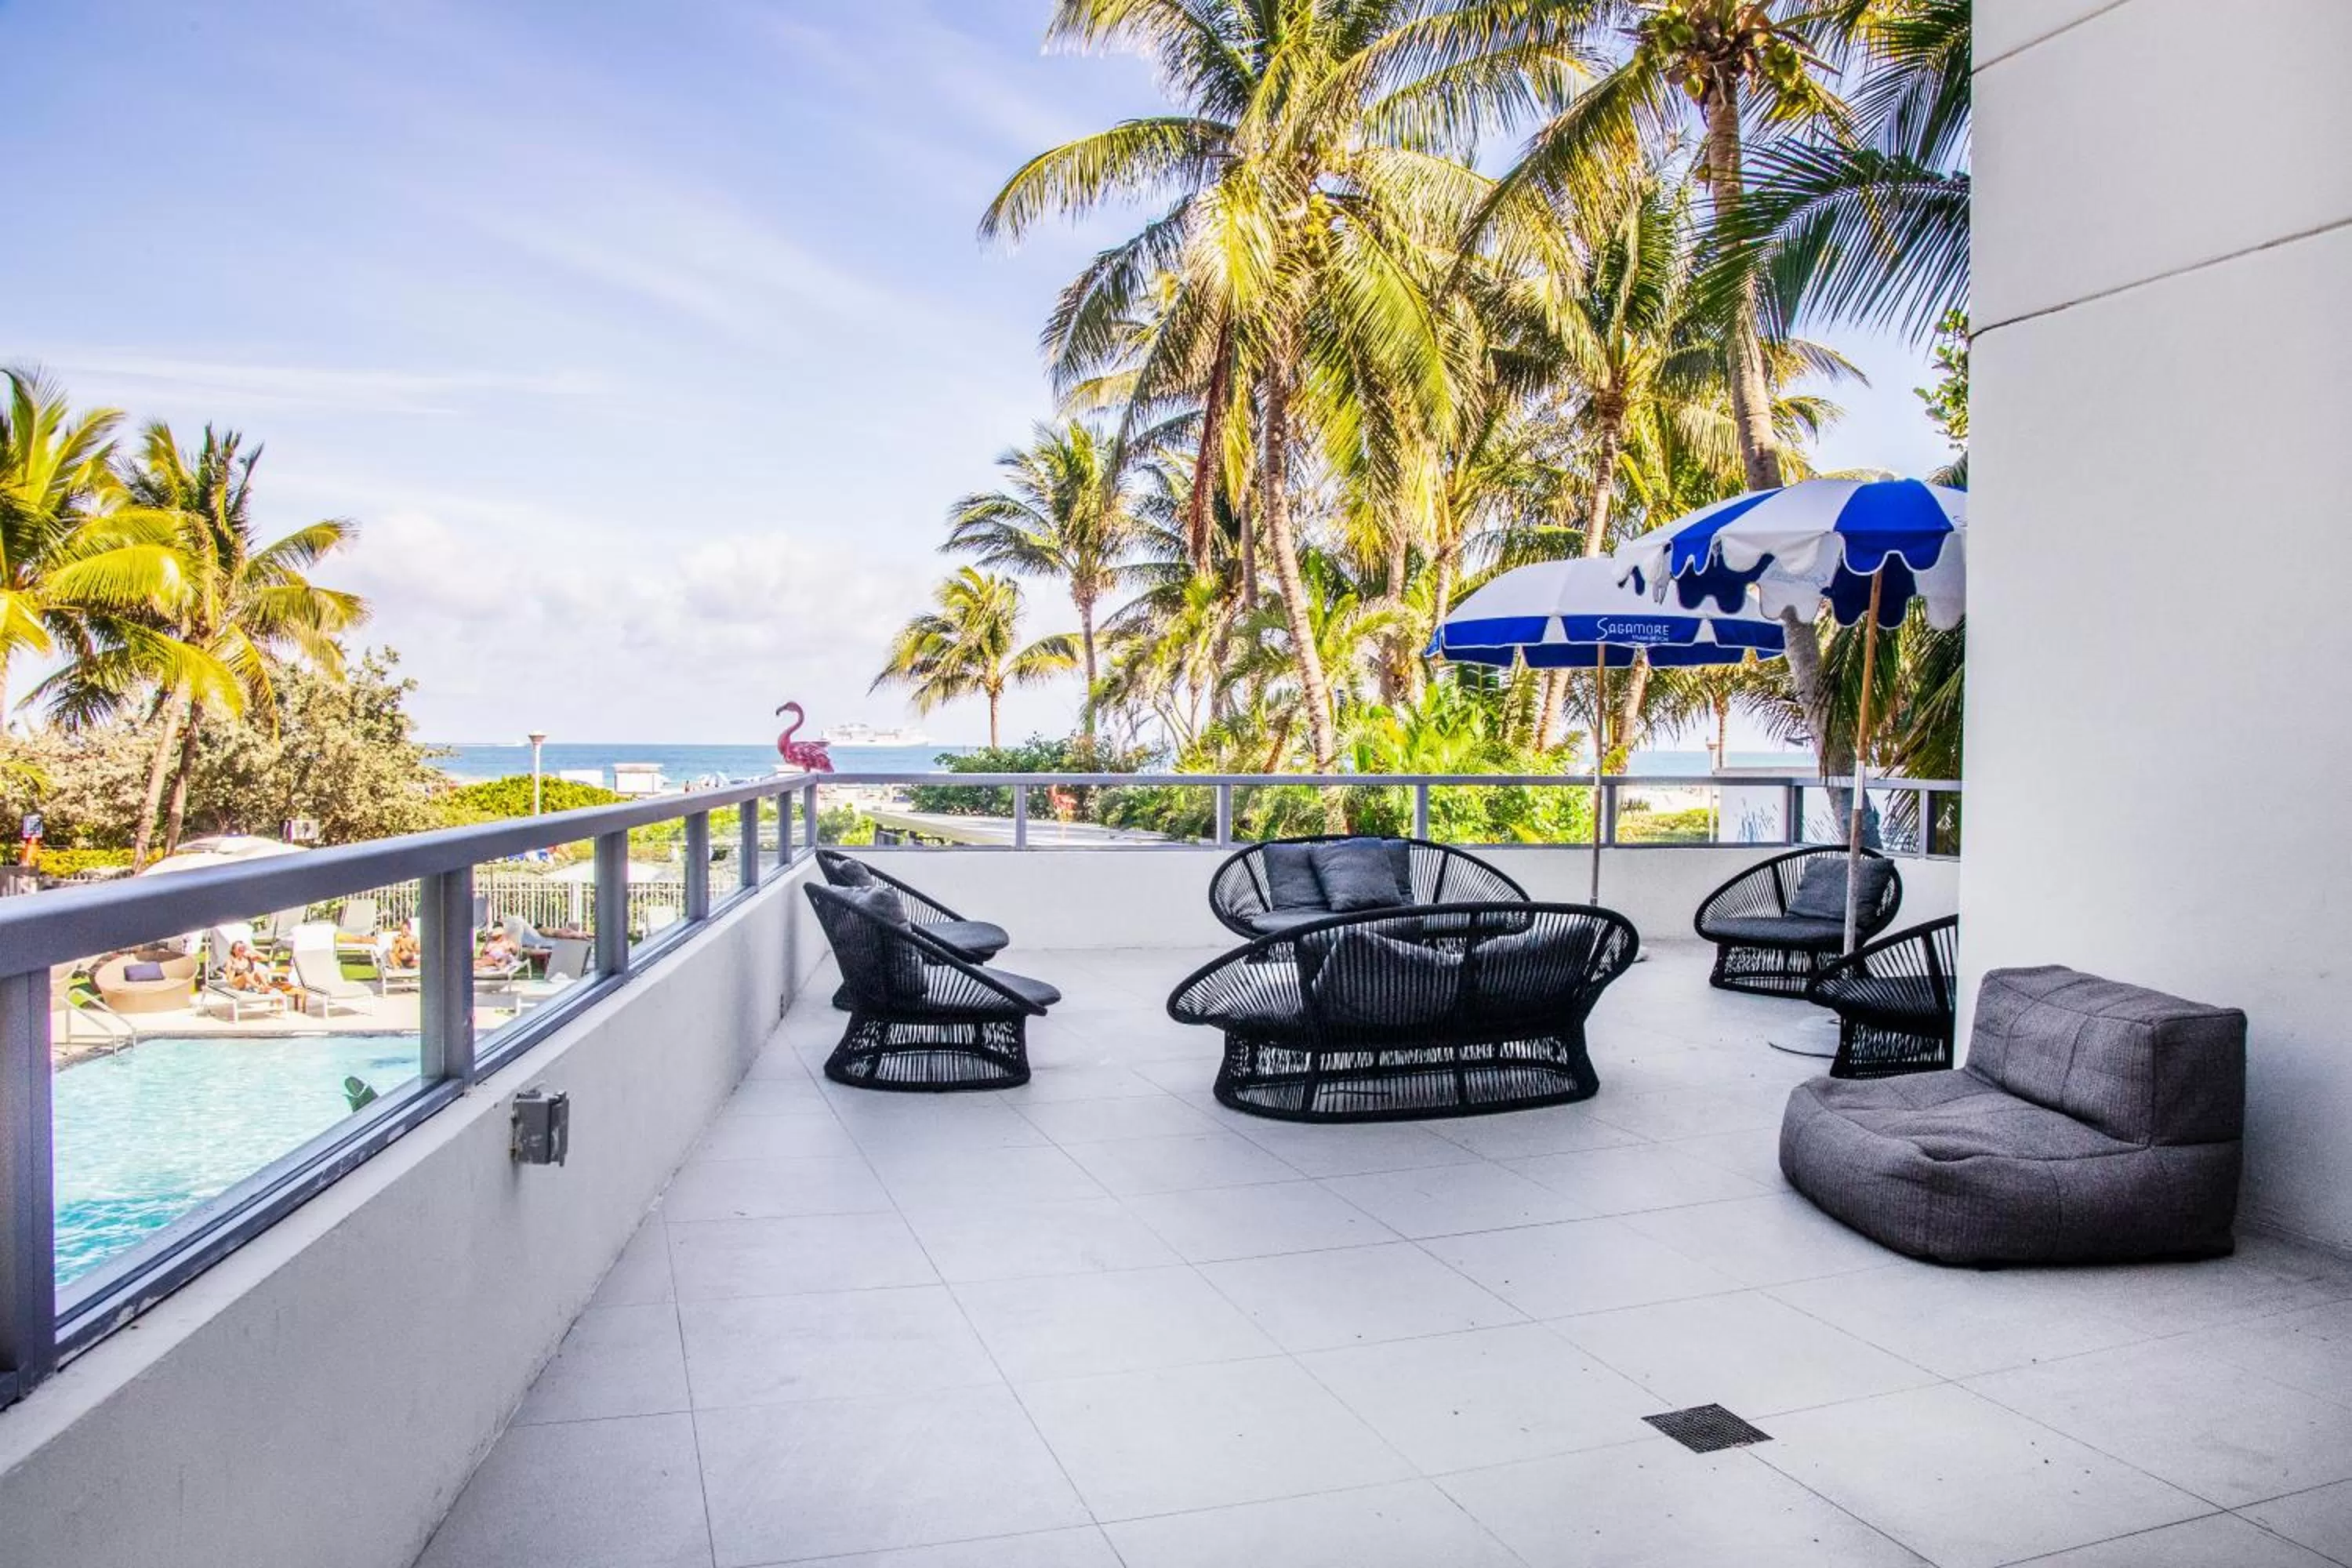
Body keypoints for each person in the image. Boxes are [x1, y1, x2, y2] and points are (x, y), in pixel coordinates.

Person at [224, 941, 294, 994]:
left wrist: (252, 950)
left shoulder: (248, 957)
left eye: (243, 948)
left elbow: (266, 958)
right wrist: (234, 968)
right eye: (239, 948)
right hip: (237, 985)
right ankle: (260, 988)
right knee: (245, 974)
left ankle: (266, 986)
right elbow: (229, 980)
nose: (241, 950)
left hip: (248, 983)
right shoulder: (230, 961)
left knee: (257, 972)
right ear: (234, 950)